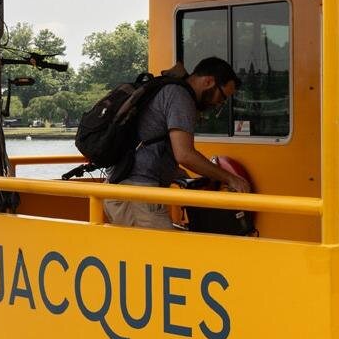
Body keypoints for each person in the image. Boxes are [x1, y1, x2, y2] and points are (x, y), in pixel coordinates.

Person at [103, 56, 253, 230]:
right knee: (164, 247)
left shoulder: (167, 90)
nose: (219, 104)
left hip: (128, 190)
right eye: (222, 97)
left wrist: (179, 175)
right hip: (137, 195)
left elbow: (152, 145)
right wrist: (231, 179)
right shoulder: (180, 96)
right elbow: (185, 155)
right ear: (208, 82)